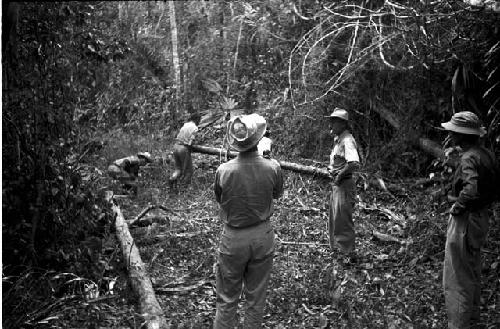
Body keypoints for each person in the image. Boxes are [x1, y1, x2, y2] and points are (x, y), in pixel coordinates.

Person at [213, 113, 284, 328]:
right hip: (262, 236)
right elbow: (277, 194)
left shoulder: (223, 171)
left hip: (233, 238)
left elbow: (220, 198)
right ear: (258, 139)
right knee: (256, 299)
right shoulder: (273, 168)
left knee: (226, 299)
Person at [440, 111, 499, 329]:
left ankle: (459, 324)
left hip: (466, 221)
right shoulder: (487, 154)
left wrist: (458, 205)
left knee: (457, 277)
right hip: (480, 219)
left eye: (454, 132)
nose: (451, 136)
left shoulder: (468, 158)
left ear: (461, 136)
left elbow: (471, 189)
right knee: (472, 270)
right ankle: (472, 320)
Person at [325, 108, 360, 263]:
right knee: (335, 218)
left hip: (344, 185)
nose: (331, 124)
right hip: (337, 185)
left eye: (334, 121)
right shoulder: (339, 139)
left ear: (342, 124)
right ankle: (339, 251)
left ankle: (348, 254)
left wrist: (339, 175)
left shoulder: (347, 140)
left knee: (343, 219)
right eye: (331, 120)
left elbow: (354, 163)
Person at [169, 112, 201, 189]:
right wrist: (189, 150)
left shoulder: (185, 125)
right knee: (189, 171)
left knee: (178, 168)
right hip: (183, 148)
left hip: (176, 146)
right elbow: (190, 142)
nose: (200, 122)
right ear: (196, 119)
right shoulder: (195, 128)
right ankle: (183, 189)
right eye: (199, 120)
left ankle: (172, 180)